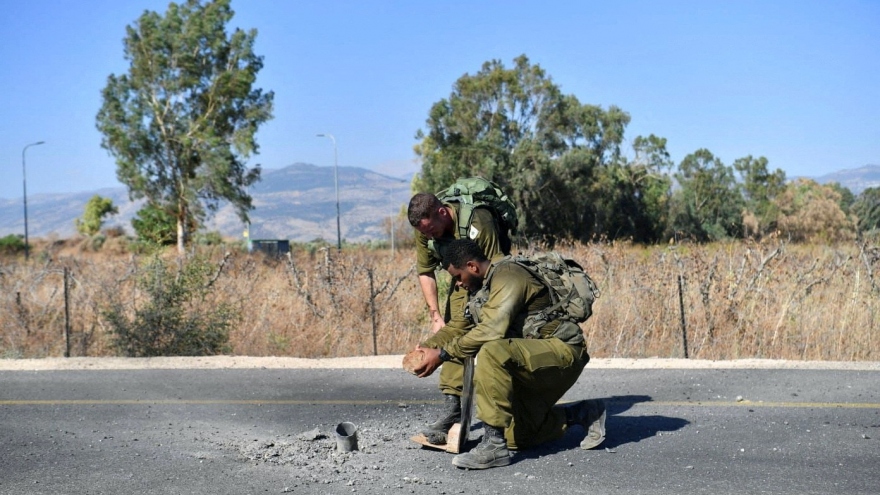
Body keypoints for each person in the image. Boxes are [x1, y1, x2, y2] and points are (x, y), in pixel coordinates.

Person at [412, 238, 606, 470]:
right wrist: (427, 348)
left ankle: (493, 446)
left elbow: (491, 331)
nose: (458, 285)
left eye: (458, 277)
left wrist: (442, 354)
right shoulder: (479, 289)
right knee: (518, 437)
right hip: (528, 358)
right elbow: (457, 328)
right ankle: (582, 413)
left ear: (472, 267)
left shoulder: (509, 275)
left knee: (491, 351)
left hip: (562, 351)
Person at [407, 192, 512, 442]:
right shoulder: (424, 228)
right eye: (425, 233)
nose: (429, 236)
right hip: (461, 281)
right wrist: (435, 316)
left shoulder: (479, 222)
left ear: (442, 212)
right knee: (451, 332)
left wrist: (483, 312)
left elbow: (495, 270)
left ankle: (498, 419)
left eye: (432, 230)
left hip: (488, 278)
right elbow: (425, 271)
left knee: (487, 339)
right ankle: (452, 413)